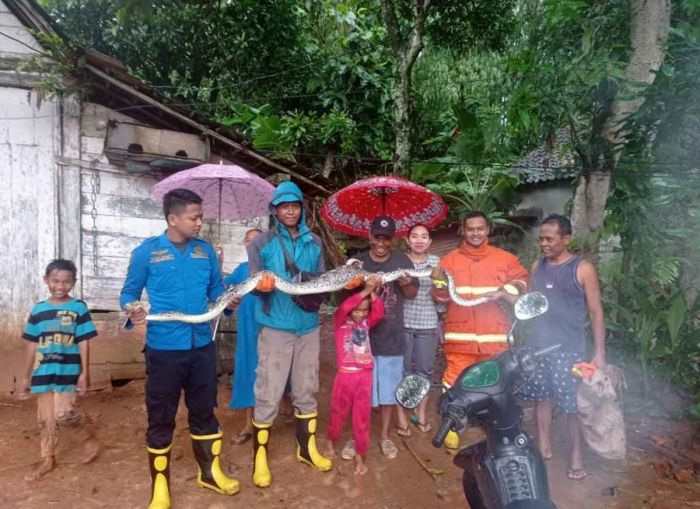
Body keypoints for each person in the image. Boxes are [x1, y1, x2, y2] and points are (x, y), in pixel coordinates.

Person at [120, 188, 241, 509]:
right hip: (164, 349)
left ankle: (209, 472)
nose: (200, 222)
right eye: (195, 217)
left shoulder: (206, 253)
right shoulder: (146, 253)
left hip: (202, 346)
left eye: (201, 216)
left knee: (205, 412)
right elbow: (129, 292)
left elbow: (216, 291)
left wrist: (229, 301)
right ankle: (160, 486)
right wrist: (133, 308)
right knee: (161, 417)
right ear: (173, 219)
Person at [246, 181, 335, 488]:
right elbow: (252, 282)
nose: (290, 211)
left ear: (302, 208)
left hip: (308, 326)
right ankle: (260, 456)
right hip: (275, 327)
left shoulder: (315, 242)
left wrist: (341, 283)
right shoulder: (261, 243)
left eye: (295, 205)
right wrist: (261, 284)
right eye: (284, 206)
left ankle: (306, 449)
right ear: (275, 210)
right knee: (268, 391)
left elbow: (322, 281)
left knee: (307, 388)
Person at [519, 214, 606, 481]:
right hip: (539, 346)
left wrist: (599, 352)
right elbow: (531, 304)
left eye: (549, 239)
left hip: (569, 349)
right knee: (540, 397)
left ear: (566, 239)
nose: (543, 244)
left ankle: (576, 455)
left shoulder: (582, 269)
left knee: (571, 405)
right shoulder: (537, 266)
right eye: (541, 239)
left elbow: (595, 312)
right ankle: (543, 447)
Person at [431, 211, 529, 449]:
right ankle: (452, 426)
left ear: (488, 230)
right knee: (453, 381)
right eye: (470, 229)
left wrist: (505, 291)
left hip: (495, 338)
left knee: (496, 385)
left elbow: (523, 283)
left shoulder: (506, 259)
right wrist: (439, 284)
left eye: (480, 229)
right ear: (463, 231)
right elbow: (439, 297)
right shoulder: (448, 261)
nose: (475, 233)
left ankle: (496, 427)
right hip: (460, 337)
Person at [18, 259, 99, 482]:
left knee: (63, 414)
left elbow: (84, 341)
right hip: (42, 372)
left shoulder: (78, 308)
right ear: (46, 280)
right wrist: (25, 376)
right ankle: (48, 458)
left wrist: (85, 371)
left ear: (73, 282)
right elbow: (32, 344)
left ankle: (87, 435)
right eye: (55, 281)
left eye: (66, 282)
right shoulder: (38, 310)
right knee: (45, 419)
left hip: (68, 370)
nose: (60, 286)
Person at [353, 215, 418, 459]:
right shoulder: (357, 262)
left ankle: (383, 437)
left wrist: (407, 282)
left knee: (389, 391)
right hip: (361, 336)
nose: (381, 242)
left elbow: (411, 294)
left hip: (392, 336)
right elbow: (345, 299)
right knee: (361, 390)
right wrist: (358, 281)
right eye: (377, 237)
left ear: (392, 240)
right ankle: (356, 436)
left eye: (386, 238)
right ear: (370, 236)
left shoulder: (402, 261)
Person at [326, 275, 384, 475]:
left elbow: (379, 312)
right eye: (357, 310)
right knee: (338, 412)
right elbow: (343, 308)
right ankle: (330, 442)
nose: (360, 314)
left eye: (364, 311)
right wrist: (365, 291)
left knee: (362, 418)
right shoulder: (340, 323)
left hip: (364, 377)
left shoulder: (366, 324)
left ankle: (360, 456)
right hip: (345, 377)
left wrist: (373, 290)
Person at [402, 224, 443, 434]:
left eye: (424, 236)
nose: (419, 240)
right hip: (403, 323)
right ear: (407, 240)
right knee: (405, 370)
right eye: (414, 236)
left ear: (429, 242)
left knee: (425, 370)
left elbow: (442, 298)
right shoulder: (400, 262)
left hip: (428, 323)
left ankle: (421, 412)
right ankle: (404, 411)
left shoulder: (437, 263)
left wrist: (439, 283)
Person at [225, 228, 262, 445]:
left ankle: (274, 413)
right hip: (248, 330)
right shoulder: (241, 270)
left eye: (256, 241)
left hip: (271, 328)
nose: (252, 244)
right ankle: (249, 423)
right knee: (249, 372)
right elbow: (222, 288)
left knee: (273, 371)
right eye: (248, 241)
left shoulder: (273, 270)